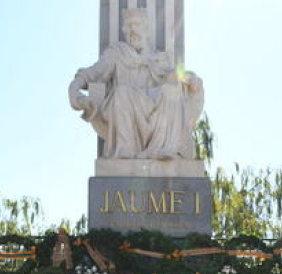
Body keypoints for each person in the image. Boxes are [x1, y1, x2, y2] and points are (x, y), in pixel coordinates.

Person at [68, 7, 204, 160]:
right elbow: (92, 73)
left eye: (137, 25)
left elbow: (180, 77)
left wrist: (193, 82)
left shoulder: (160, 59)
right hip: (126, 108)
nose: (133, 31)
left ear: (146, 29)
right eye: (129, 27)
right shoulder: (117, 54)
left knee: (171, 91)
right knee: (122, 93)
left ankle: (164, 149)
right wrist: (74, 87)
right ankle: (126, 153)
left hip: (157, 110)